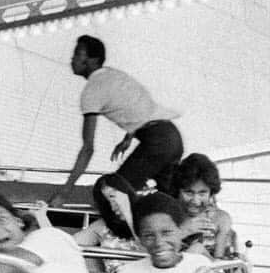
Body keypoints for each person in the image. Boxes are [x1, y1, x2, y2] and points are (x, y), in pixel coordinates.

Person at [49, 35, 182, 208]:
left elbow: (87, 148)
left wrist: (64, 192)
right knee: (170, 205)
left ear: (93, 60)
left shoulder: (91, 92)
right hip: (172, 137)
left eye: (77, 54)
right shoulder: (113, 75)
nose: (72, 58)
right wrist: (128, 137)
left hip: (157, 143)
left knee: (113, 195)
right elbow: (139, 106)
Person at [166, 153, 236, 260]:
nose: (195, 201)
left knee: (197, 249)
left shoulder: (220, 219)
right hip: (171, 272)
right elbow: (154, 249)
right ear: (178, 191)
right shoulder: (167, 215)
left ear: (211, 193)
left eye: (202, 193)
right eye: (189, 192)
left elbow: (220, 263)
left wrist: (199, 251)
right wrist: (183, 231)